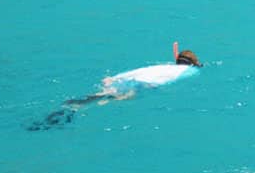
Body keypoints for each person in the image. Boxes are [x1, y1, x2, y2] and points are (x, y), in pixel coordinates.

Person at [28, 42, 203, 130]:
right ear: (194, 63)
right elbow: (163, 82)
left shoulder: (162, 66)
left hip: (126, 78)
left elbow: (140, 71)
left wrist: (114, 79)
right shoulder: (191, 72)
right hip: (144, 84)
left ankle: (71, 106)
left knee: (101, 95)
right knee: (113, 99)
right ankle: (69, 114)